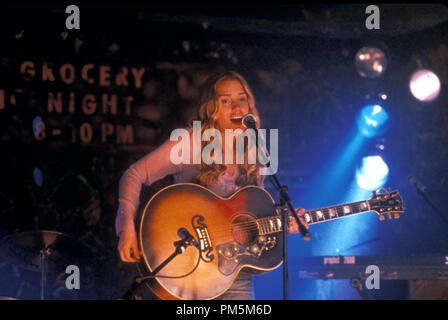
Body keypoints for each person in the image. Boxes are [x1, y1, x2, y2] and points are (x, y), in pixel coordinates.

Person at [115, 70, 308, 300]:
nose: (236, 108)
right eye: (225, 101)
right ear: (211, 107)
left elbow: (255, 212)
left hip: (236, 275)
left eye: (242, 99)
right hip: (189, 267)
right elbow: (134, 174)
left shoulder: (258, 150)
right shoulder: (189, 141)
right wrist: (126, 227)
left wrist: (284, 223)